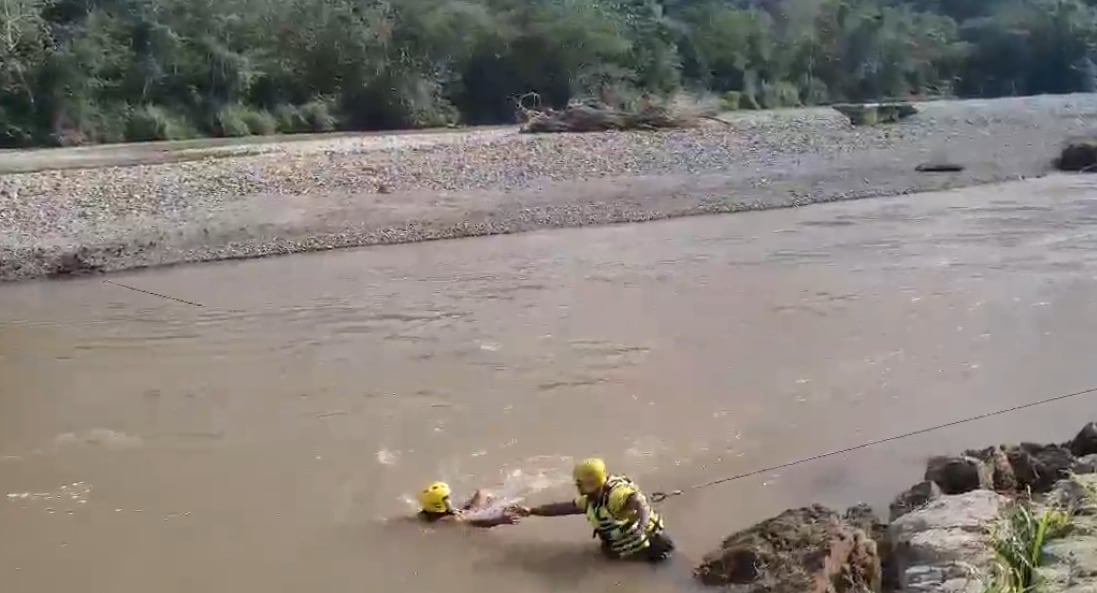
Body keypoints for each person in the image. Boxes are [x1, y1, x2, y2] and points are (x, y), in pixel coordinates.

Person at [510, 458, 675, 562]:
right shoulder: (591, 499)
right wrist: (532, 511)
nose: (577, 486)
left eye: (579, 483)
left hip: (653, 547)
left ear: (591, 482)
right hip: (625, 547)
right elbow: (564, 508)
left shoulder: (616, 496)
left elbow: (640, 503)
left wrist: (641, 527)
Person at [416, 481, 520, 528]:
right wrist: (499, 520)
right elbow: (477, 522)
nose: (449, 500)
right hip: (472, 518)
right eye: (447, 498)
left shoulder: (424, 515)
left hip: (465, 514)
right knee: (482, 493)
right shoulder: (450, 520)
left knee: (482, 494)